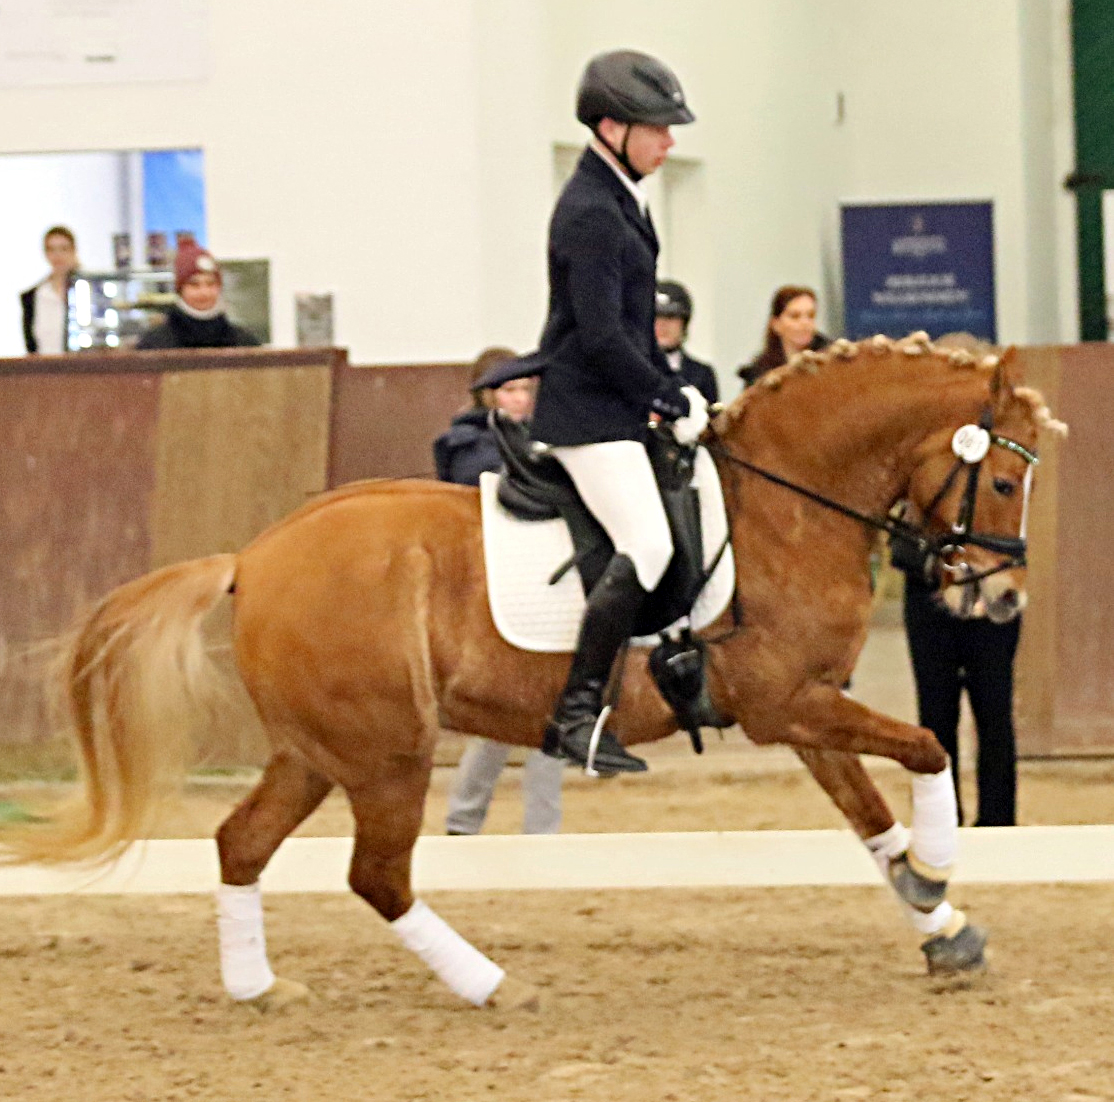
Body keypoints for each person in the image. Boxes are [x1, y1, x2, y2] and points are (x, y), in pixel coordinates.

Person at [516, 49, 709, 776]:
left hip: (614, 406)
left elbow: (630, 331)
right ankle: (577, 714)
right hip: (585, 412)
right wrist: (663, 395)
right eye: (657, 129)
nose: (668, 142)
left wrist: (675, 391)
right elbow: (599, 337)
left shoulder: (621, 198)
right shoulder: (591, 211)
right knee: (650, 546)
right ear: (611, 126)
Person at [436, 348, 565, 836]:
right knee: (508, 723)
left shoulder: (537, 439)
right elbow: (490, 480)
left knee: (545, 721)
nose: (520, 399)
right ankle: (466, 821)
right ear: (487, 394)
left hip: (536, 585)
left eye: (526, 390)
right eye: (510, 390)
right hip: (492, 592)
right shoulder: (468, 442)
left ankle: (535, 829)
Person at [136, 241, 260, 349]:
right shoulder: (154, 344)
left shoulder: (244, 342)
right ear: (180, 290)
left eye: (210, 284)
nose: (204, 292)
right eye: (194, 284)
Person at [737, 284, 830, 388]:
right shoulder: (760, 374)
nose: (805, 323)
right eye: (795, 316)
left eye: (811, 316)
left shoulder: (831, 362)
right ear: (776, 324)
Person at [654, 279, 718, 404]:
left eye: (671, 316)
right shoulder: (631, 370)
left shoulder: (701, 374)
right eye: (655, 317)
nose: (662, 325)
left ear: (684, 323)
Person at [20, 225, 78, 355]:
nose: (58, 255)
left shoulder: (86, 291)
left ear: (73, 251)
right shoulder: (33, 296)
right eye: (51, 249)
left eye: (64, 249)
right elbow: (31, 346)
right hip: (46, 370)